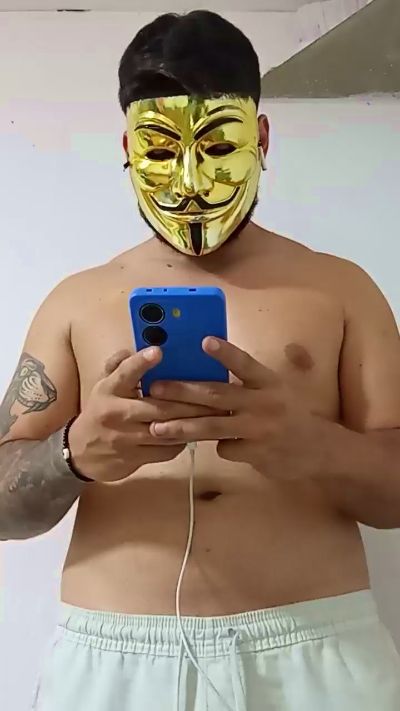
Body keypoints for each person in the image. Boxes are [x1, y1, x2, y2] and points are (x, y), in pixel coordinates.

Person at [1, 10, 400, 711]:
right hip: (117, 661)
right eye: (161, 150)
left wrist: (312, 444)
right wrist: (73, 452)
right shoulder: (75, 301)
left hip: (312, 654)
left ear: (261, 138)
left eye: (217, 144)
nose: (190, 182)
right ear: (128, 148)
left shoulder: (341, 290)